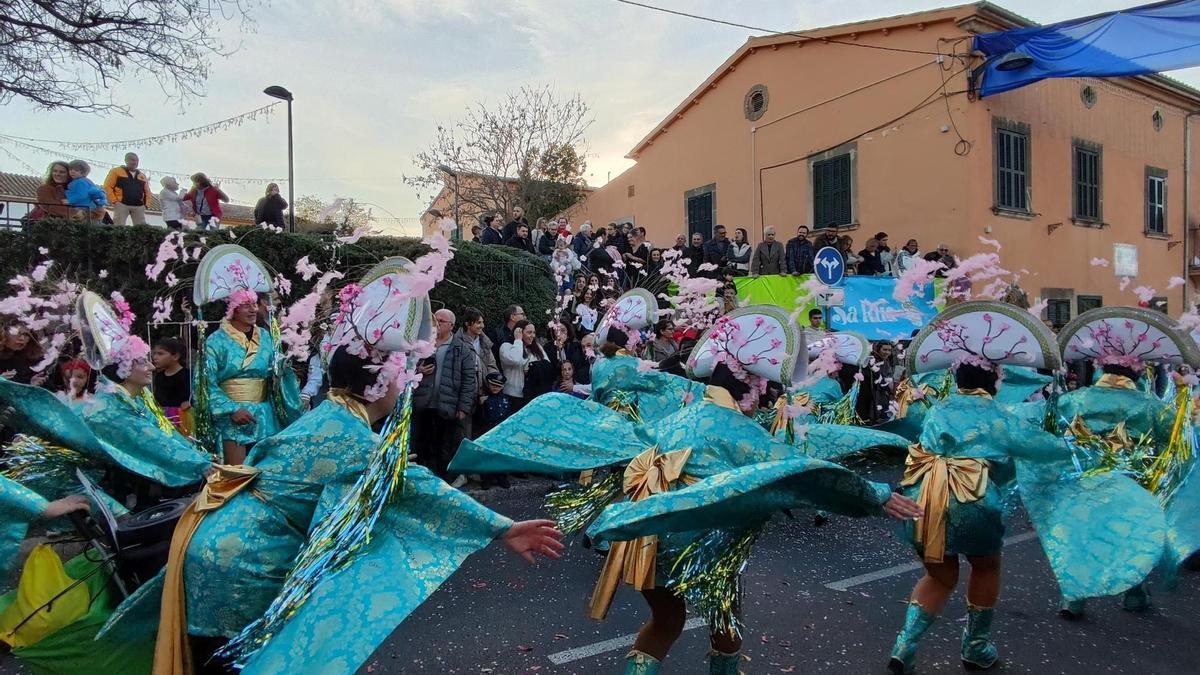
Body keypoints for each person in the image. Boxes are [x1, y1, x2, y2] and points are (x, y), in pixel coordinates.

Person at [202, 290, 294, 464]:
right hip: (232, 416)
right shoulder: (215, 340)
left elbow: (276, 373)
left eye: (254, 304)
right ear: (233, 309)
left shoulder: (267, 337)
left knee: (266, 471)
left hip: (265, 413)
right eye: (246, 305)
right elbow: (206, 381)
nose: (253, 310)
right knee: (238, 475)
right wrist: (231, 409)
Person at [412, 309, 477, 480]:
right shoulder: (423, 344)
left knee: (445, 445)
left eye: (441, 321)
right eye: (435, 319)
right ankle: (424, 478)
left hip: (447, 404)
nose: (437, 323)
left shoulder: (460, 348)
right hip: (422, 403)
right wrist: (418, 370)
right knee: (422, 444)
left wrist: (463, 406)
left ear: (452, 326)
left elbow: (469, 379)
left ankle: (444, 480)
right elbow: (405, 366)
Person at [151, 337, 192, 435]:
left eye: (160, 353)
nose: (155, 357)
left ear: (175, 356)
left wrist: (190, 402)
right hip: (164, 418)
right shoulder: (159, 376)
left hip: (183, 419)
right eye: (154, 353)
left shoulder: (188, 375)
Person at [102, 153, 151, 226]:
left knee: (141, 229)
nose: (135, 162)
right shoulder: (116, 171)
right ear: (126, 160)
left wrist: (146, 205)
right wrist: (115, 201)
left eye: (137, 160)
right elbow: (107, 186)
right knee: (118, 226)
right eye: (132, 160)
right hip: (121, 204)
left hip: (139, 206)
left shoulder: (142, 175)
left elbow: (147, 192)